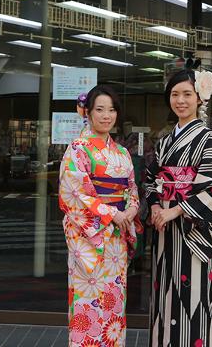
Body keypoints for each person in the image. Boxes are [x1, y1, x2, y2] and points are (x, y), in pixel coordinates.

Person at [144, 65, 212, 347]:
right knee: (162, 298)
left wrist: (175, 209)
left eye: (187, 94)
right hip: (163, 232)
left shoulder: (208, 139)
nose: (180, 100)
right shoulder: (165, 141)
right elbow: (150, 180)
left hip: (192, 234)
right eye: (175, 94)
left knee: (194, 300)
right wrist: (156, 205)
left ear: (199, 98)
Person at [58, 85, 139, 347]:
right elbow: (74, 191)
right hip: (89, 239)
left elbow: (131, 189)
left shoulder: (122, 153)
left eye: (112, 110)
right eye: (100, 109)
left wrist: (130, 210)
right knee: (88, 302)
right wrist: (111, 213)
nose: (107, 116)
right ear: (89, 113)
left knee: (114, 304)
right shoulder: (78, 148)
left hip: (116, 240)